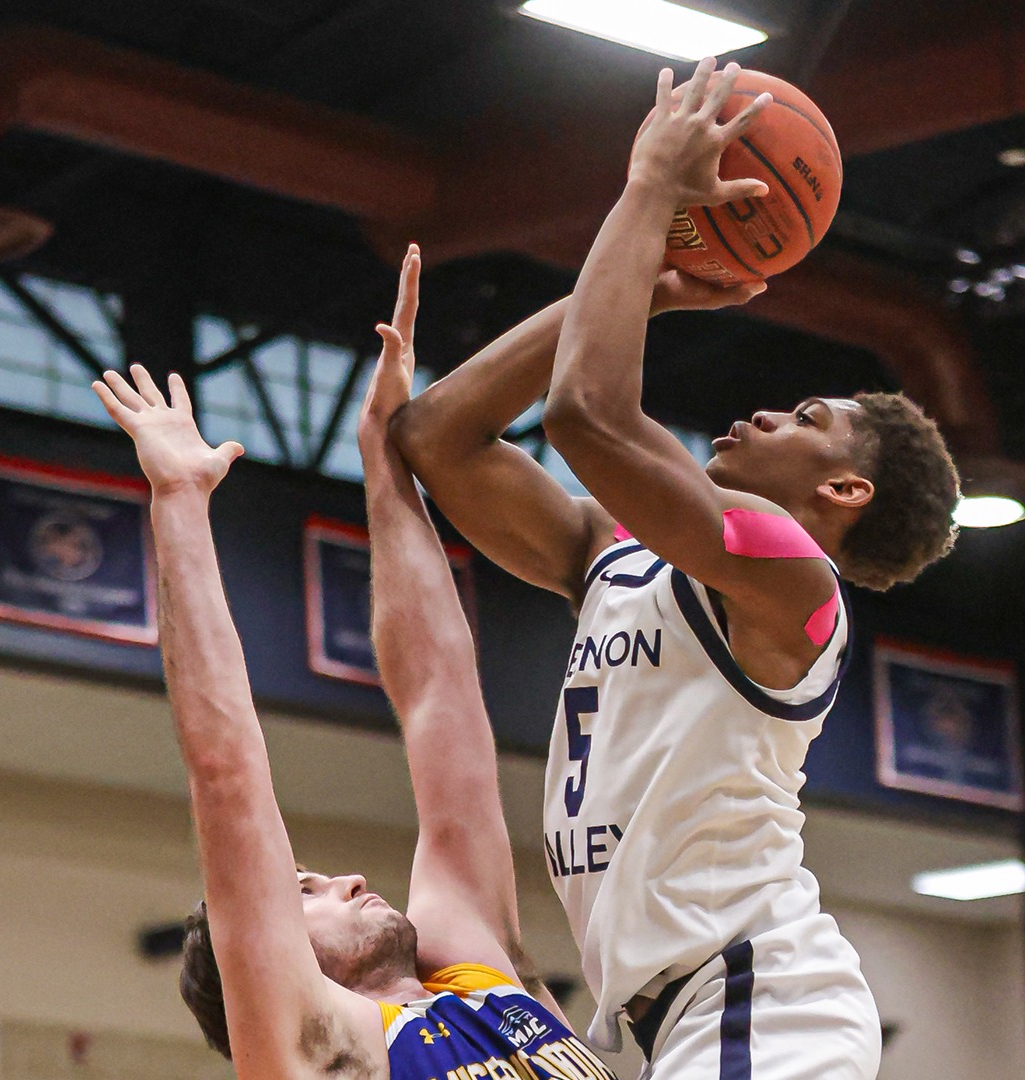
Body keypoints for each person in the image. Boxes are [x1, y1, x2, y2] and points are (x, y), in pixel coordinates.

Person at [392, 60, 961, 1079]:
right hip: (690, 1014)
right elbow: (437, 437)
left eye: (806, 420)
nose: (766, 413)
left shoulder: (796, 585)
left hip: (761, 997)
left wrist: (651, 191)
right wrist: (633, 296)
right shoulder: (620, 559)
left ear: (844, 492)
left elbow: (586, 417)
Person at [90, 249, 615, 1080]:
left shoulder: (483, 978)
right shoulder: (319, 1048)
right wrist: (181, 502)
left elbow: (442, 699)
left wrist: (382, 455)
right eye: (305, 893)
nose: (352, 879)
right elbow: (227, 773)